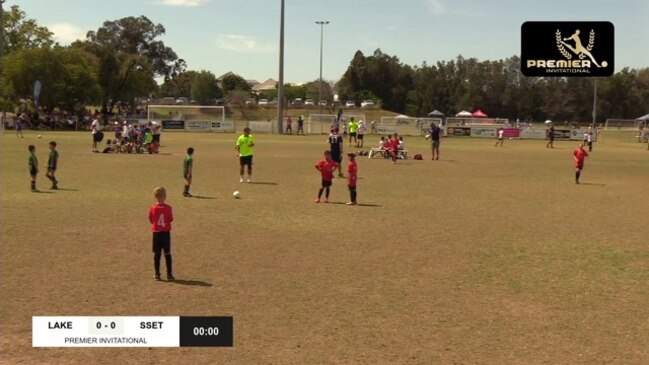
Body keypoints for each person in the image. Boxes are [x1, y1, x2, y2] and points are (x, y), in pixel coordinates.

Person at [149, 187, 174, 281]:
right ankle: (169, 275)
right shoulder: (168, 208)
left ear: (155, 196)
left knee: (157, 254)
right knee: (167, 253)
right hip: (166, 233)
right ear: (165, 196)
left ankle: (157, 274)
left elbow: (151, 218)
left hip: (156, 233)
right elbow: (170, 219)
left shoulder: (153, 208)